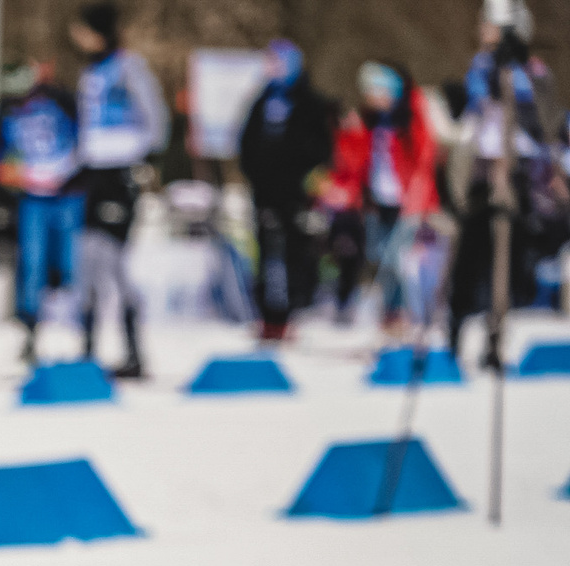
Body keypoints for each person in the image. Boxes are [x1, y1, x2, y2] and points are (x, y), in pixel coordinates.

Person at [448, 1, 561, 368]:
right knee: (468, 257)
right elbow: (475, 103)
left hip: (517, 175)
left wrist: (519, 75)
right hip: (484, 173)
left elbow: (545, 122)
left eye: (490, 26)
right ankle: (454, 328)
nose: (482, 31)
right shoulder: (482, 65)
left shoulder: (534, 70)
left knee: (506, 262)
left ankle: (496, 334)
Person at [65, 3, 163, 378]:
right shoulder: (90, 72)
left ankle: (134, 352)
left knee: (117, 264)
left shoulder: (128, 67)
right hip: (94, 171)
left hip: (120, 172)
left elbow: (154, 116)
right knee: (87, 260)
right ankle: (87, 349)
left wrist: (145, 156)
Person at [319, 63, 442, 337]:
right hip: (377, 201)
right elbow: (353, 161)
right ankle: (392, 313)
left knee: (394, 259)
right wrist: (346, 133)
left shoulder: (412, 117)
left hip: (409, 202)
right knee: (377, 254)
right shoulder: (370, 122)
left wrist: (418, 198)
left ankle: (398, 314)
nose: (372, 97)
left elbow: (426, 158)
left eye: (377, 90)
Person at [0, 60, 83, 364]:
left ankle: (80, 334)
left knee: (70, 263)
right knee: (32, 264)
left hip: (68, 195)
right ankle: (31, 333)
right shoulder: (9, 114)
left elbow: (85, 130)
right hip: (33, 197)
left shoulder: (60, 103)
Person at [236, 39, 338, 343]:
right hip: (264, 192)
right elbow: (246, 144)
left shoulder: (311, 103)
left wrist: (307, 178)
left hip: (297, 194)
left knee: (296, 252)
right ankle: (268, 316)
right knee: (265, 254)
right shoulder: (260, 101)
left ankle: (293, 311)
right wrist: (255, 175)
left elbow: (322, 148)